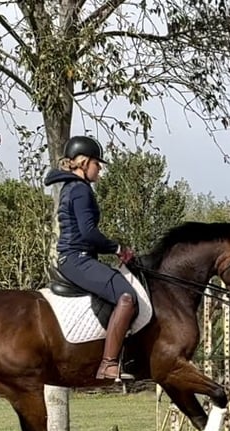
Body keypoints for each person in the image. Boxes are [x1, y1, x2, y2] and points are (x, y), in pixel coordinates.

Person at [44, 135, 138, 381]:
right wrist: (118, 248)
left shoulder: (71, 188)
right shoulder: (80, 190)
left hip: (76, 257)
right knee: (127, 298)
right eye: (98, 163)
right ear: (84, 163)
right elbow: (89, 233)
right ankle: (108, 364)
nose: (100, 169)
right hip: (77, 259)